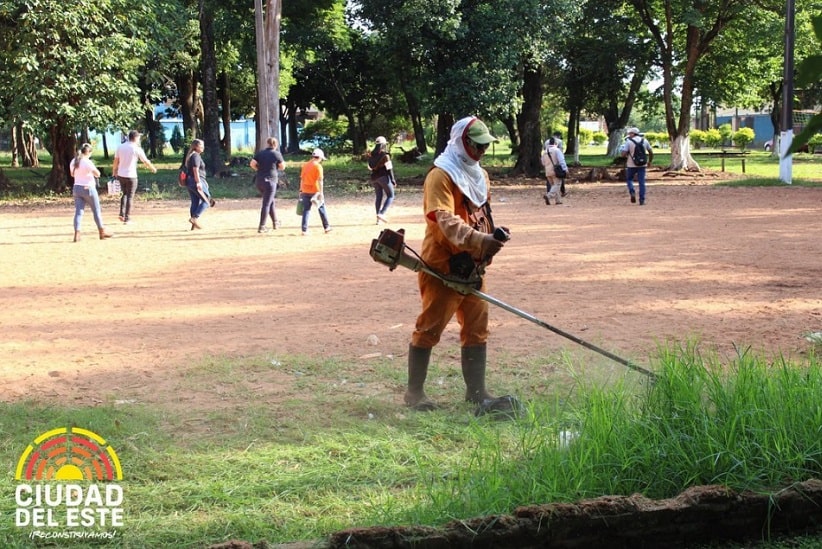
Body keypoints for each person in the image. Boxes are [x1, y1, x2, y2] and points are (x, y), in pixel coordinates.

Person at [404, 116, 508, 411]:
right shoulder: (441, 176)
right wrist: (479, 240)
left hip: (473, 267)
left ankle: (477, 392)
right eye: (477, 145)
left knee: (477, 327)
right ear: (462, 142)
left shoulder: (479, 176)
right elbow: (444, 221)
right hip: (443, 267)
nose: (482, 151)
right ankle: (414, 394)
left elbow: (482, 214)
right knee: (430, 328)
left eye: (485, 146)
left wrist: (489, 243)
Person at [112, 130, 157, 224]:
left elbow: (116, 161)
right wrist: (152, 168)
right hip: (131, 175)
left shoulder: (120, 147)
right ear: (135, 138)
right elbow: (145, 161)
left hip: (121, 174)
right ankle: (127, 218)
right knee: (130, 196)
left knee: (124, 194)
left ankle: (121, 214)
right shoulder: (136, 148)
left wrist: (114, 171)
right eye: (139, 137)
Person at [70, 143, 113, 242]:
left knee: (79, 212)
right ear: (88, 152)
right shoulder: (87, 162)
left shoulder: (74, 161)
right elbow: (97, 173)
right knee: (96, 210)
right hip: (88, 188)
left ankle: (77, 233)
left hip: (77, 188)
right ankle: (102, 231)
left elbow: (72, 174)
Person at [250, 137, 286, 233]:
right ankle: (262, 226)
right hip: (270, 181)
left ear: (267, 144)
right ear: (276, 145)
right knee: (266, 204)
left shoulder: (260, 153)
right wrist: (275, 167)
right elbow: (282, 167)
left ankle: (275, 222)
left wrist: (259, 169)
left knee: (270, 202)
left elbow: (252, 164)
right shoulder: (277, 154)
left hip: (259, 181)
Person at [298, 148, 332, 235]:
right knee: (321, 208)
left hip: (305, 190)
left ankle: (304, 230)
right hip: (315, 190)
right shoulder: (318, 166)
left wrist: (301, 190)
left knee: (306, 210)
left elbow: (302, 179)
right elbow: (320, 180)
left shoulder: (305, 165)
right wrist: (321, 193)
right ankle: (327, 227)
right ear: (319, 157)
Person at [620, 127, 654, 205]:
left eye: (630, 133)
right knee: (642, 182)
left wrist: (623, 152)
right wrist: (650, 161)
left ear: (633, 134)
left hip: (631, 164)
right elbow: (651, 152)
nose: (629, 135)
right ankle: (642, 200)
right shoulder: (644, 141)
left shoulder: (628, 142)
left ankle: (632, 191)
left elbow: (623, 154)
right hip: (642, 164)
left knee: (629, 179)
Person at [184, 139, 213, 229]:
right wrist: (199, 182)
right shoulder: (196, 156)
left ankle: (193, 225)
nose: (203, 148)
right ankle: (194, 218)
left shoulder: (190, 156)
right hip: (195, 180)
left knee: (195, 202)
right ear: (196, 147)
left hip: (189, 181)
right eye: (201, 146)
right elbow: (195, 170)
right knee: (207, 201)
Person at [368, 136, 396, 224]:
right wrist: (392, 179)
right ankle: (382, 213)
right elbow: (389, 168)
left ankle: (378, 220)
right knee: (391, 195)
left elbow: (369, 167)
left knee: (378, 197)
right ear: (383, 145)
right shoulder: (385, 155)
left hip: (374, 178)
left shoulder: (371, 155)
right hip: (383, 177)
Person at [540, 137, 567, 206]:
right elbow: (561, 160)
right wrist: (565, 169)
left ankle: (558, 200)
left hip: (547, 171)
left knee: (553, 185)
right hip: (556, 171)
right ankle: (548, 196)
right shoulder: (557, 150)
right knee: (557, 184)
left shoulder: (545, 152)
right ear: (556, 143)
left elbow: (543, 162)